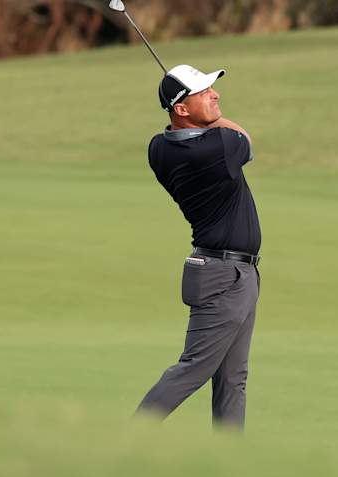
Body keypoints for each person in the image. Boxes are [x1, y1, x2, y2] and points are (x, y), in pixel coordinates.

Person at [134, 64, 261, 430]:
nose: (215, 94)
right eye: (204, 92)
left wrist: (196, 114)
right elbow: (245, 138)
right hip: (226, 276)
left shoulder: (158, 148)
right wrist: (211, 119)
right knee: (193, 369)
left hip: (228, 272)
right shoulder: (219, 148)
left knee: (232, 378)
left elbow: (180, 132)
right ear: (182, 109)